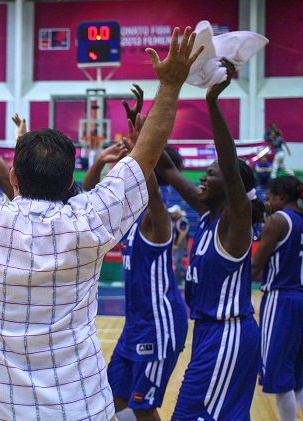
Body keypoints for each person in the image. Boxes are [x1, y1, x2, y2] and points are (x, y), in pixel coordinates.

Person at [0, 22, 202, 420]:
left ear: (13, 178)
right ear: (71, 181)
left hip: (2, 410)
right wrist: (170, 87)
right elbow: (146, 155)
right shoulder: (90, 220)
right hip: (81, 406)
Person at [154, 59, 264, 420]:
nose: (203, 178)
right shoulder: (206, 216)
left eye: (210, 174)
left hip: (228, 333)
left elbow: (231, 166)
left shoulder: (235, 223)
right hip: (207, 334)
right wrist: (144, 130)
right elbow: (166, 169)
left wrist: (212, 103)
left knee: (189, 415)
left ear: (232, 189)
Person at [85, 96, 188, 421]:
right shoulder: (129, 217)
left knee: (143, 408)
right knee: (113, 400)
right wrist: (102, 159)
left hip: (160, 325)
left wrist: (141, 146)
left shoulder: (156, 219)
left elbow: (152, 189)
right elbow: (86, 201)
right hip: (136, 325)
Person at [250, 175, 303, 421]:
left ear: (281, 197)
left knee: (279, 377)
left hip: (281, 298)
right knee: (298, 378)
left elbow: (255, 266)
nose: (268, 203)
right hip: (300, 297)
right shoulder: (301, 220)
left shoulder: (277, 221)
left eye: (270, 198)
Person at [168, 204, 189, 284]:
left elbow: (182, 234)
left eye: (173, 213)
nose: (171, 215)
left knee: (177, 262)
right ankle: (178, 280)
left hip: (181, 244)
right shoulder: (177, 221)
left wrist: (177, 244)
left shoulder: (182, 221)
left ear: (177, 213)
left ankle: (188, 274)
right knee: (177, 263)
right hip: (178, 243)